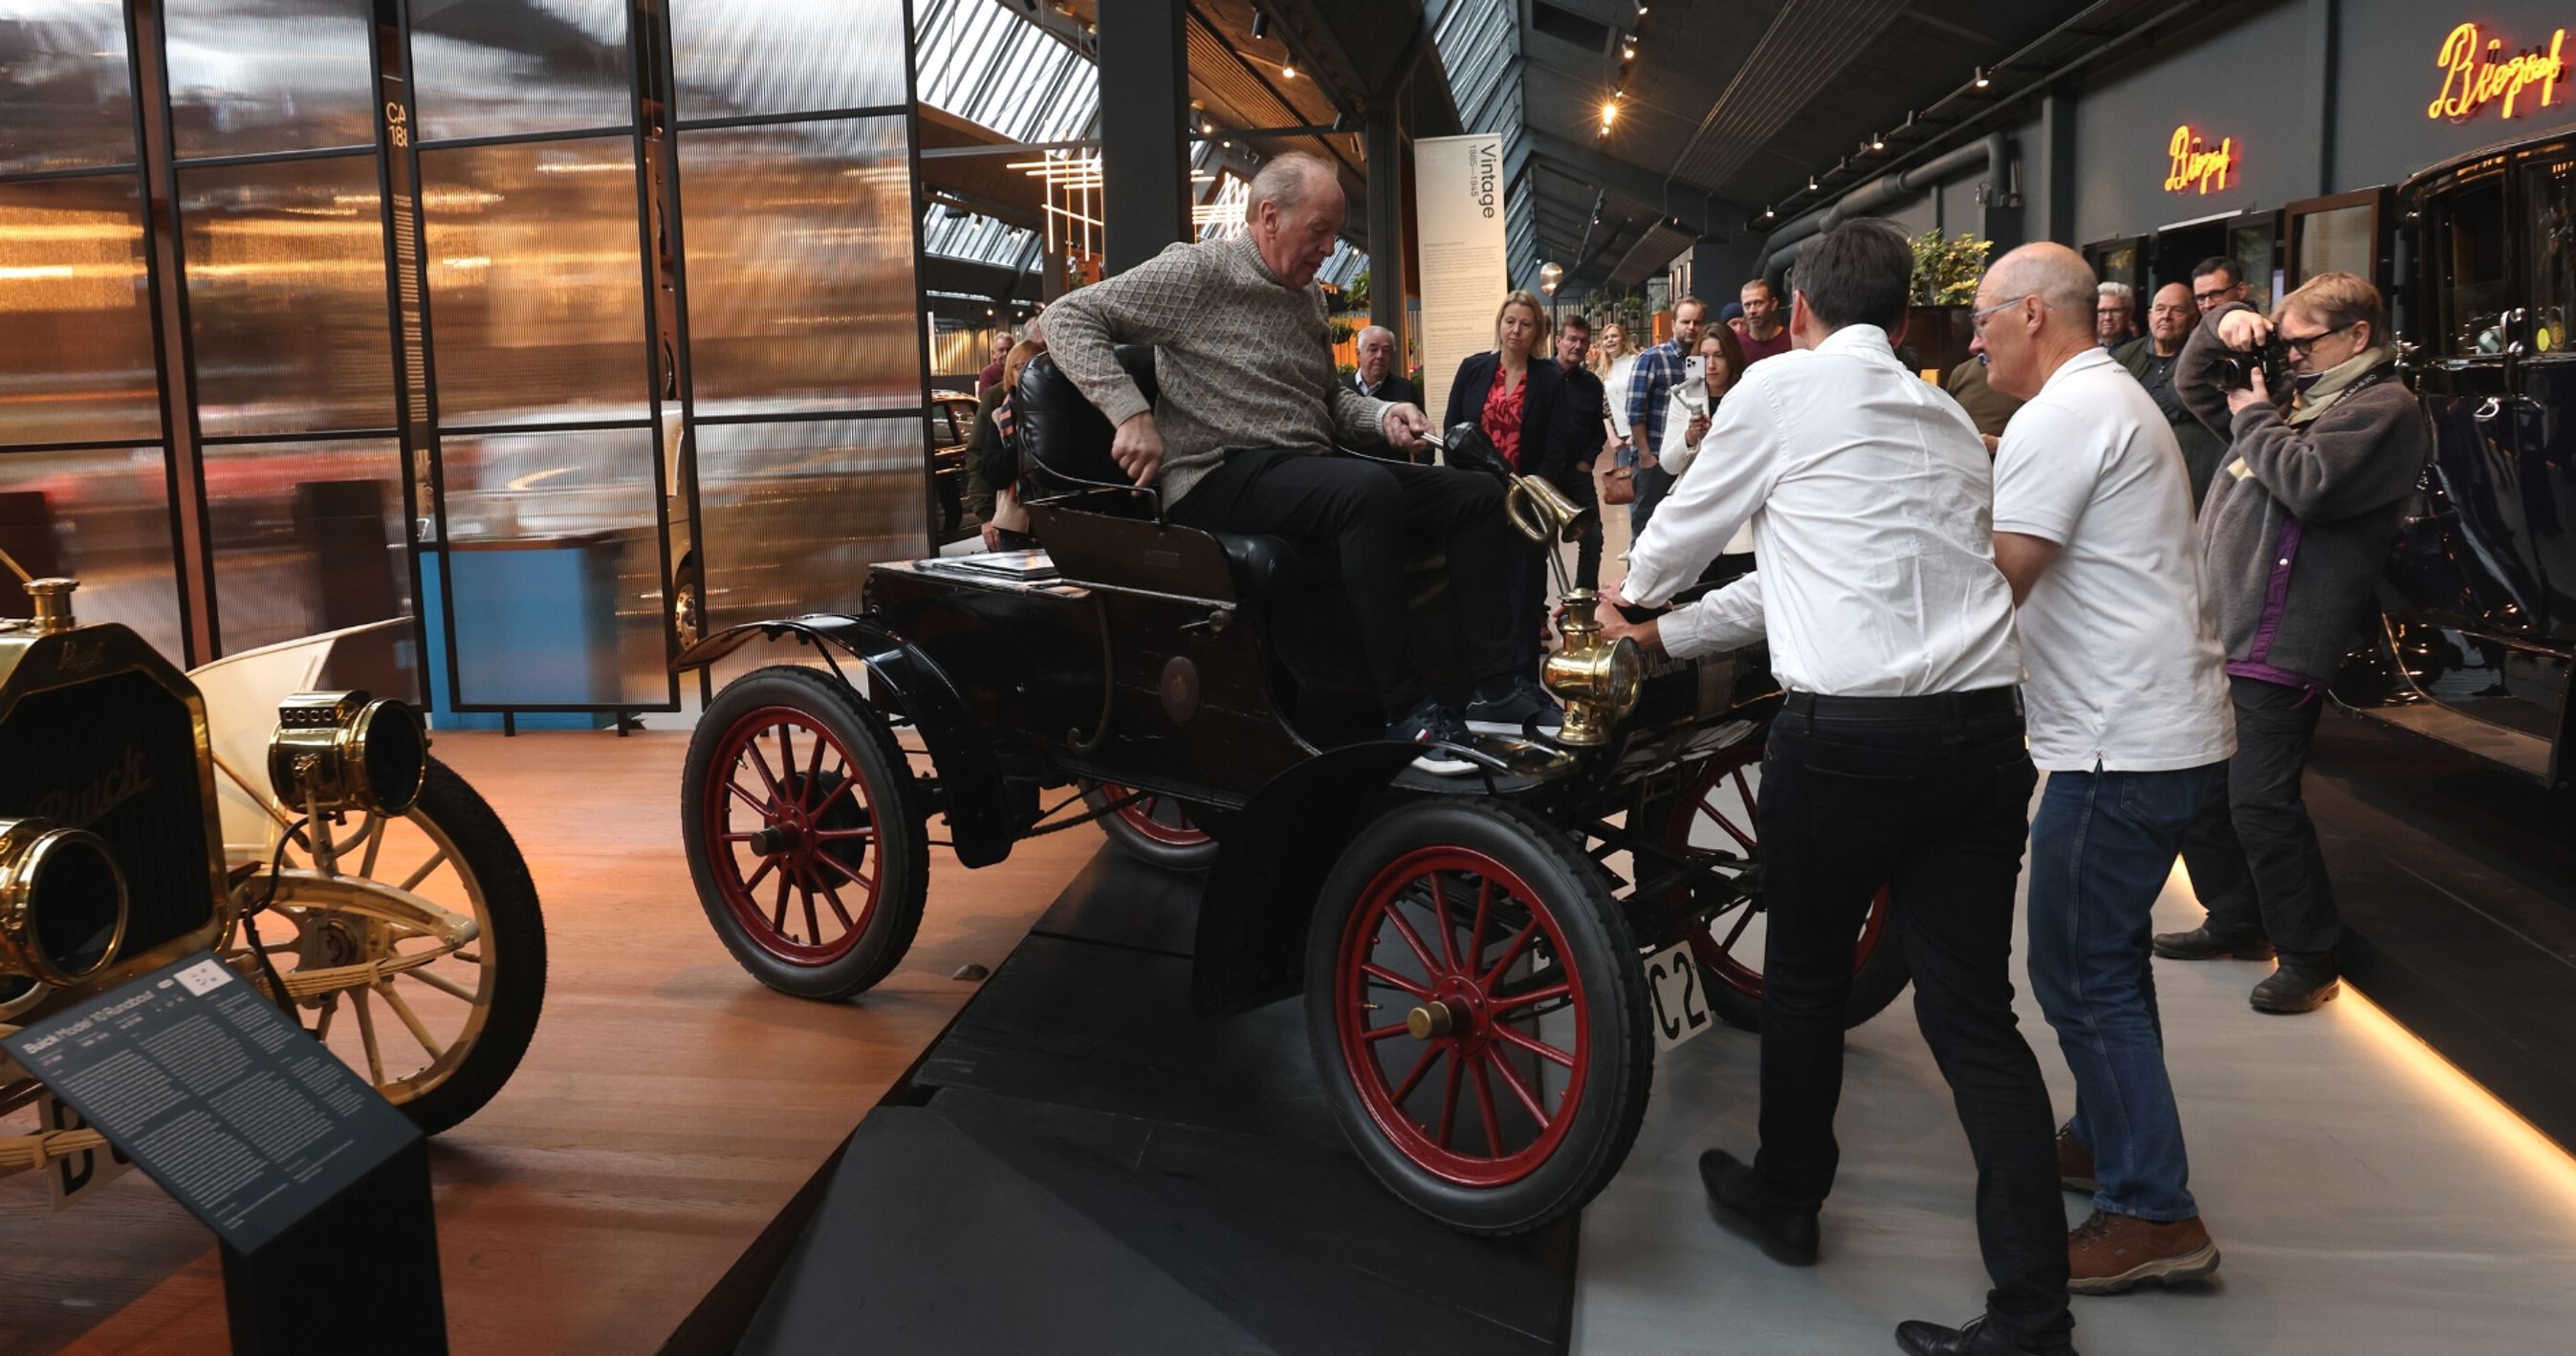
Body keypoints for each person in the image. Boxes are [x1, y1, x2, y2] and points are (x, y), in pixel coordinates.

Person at [1598, 218, 2072, 1356]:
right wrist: (1666, 639)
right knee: (1975, 1017)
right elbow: (1792, 581)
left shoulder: (1781, 391)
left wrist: (1627, 606)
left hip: (1847, 742)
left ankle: (1788, 1195)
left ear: (1796, 312)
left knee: (1805, 980)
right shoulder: (1949, 420)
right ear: (1908, 323)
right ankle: (2033, 1316)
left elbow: (1685, 534)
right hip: (1980, 740)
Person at [1040, 152, 1532, 773]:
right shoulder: (1198, 272)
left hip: (1299, 473)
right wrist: (1129, 412)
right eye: (1319, 230)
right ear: (1269, 217)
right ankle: (1406, 711)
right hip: (1214, 475)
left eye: (1333, 233)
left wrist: (1383, 417)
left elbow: (1328, 400)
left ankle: (1491, 688)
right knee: (1366, 492)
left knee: (1477, 496)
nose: (1328, 249)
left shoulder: (1307, 301)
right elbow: (1066, 315)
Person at [1976, 243, 2235, 1299]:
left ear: (2034, 312)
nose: (1977, 333)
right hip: (2150, 729)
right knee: (2107, 963)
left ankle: (2155, 1208)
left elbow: (2002, 579)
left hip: (2114, 743)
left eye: (1988, 316)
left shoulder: (2065, 416)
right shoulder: (2105, 399)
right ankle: (2105, 1139)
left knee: (2078, 970)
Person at [2153, 272, 2429, 1012]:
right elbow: (2194, 377)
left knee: (2261, 804)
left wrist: (2254, 417)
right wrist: (2230, 323)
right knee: (2208, 795)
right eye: (2284, 344)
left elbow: (2309, 485)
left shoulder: (2383, 409)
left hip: (2284, 635)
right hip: (2230, 629)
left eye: (2301, 343)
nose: (2289, 358)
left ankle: (2310, 956)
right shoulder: (2301, 402)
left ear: (2357, 336)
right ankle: (2239, 919)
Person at [1443, 291, 1585, 728]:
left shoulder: (1548, 378)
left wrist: (1529, 493)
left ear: (1538, 330)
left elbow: (1556, 448)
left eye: (1525, 323)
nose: (1515, 330)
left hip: (1526, 504)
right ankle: (1481, 684)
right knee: (1477, 590)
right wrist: (1469, 485)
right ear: (1499, 324)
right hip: (1475, 502)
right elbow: (1453, 432)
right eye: (1509, 321)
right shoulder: (1473, 369)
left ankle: (1523, 684)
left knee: (1523, 596)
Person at [1654, 327, 1756, 580]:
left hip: (1740, 512)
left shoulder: (1750, 395)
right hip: (1698, 511)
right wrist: (1690, 438)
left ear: (1731, 357)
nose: (1711, 365)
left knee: (1736, 592)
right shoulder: (1687, 396)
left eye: (1719, 355)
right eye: (1704, 356)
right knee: (1696, 595)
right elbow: (1668, 464)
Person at [2114, 282, 2226, 509]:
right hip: (2133, 480)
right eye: (2160, 309)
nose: (2166, 316)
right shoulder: (2125, 356)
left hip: (2187, 483)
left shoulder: (2202, 361)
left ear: (2194, 320)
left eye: (2177, 310)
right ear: (2149, 316)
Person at [1624, 295, 1708, 536]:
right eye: (1685, 322)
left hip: (1686, 458)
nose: (1691, 327)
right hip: (1655, 458)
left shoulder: (1699, 361)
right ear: (1673, 324)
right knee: (1646, 529)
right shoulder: (1652, 358)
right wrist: (1645, 455)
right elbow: (1635, 410)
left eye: (1697, 322)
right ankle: (1640, 574)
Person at [1554, 314, 1609, 590]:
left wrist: (1587, 461)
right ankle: (1537, 614)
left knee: (1593, 538)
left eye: (1583, 341)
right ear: (1558, 341)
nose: (1577, 345)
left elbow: (1598, 430)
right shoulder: (1540, 377)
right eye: (1572, 339)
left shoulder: (1591, 384)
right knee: (1541, 541)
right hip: (1545, 474)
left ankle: (1585, 603)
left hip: (1578, 474)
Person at [980, 339, 1046, 552]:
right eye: (1020, 367)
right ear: (1010, 374)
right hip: (1015, 527)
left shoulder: (1061, 411)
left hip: (1058, 519)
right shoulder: (1000, 417)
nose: (1028, 372)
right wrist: (1026, 439)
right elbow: (992, 474)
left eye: (1035, 365)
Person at [1945, 339, 2025, 450]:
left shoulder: (2030, 372)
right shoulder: (1961, 372)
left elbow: (2042, 434)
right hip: (1964, 460)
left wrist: (1999, 444)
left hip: (2011, 459)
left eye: (1985, 323)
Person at [1596, 320, 1643, 506]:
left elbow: (1643, 399)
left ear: (1623, 339)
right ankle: (1636, 535)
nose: (1610, 340)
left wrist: (1635, 433)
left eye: (1614, 336)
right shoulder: (1601, 372)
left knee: (1645, 489)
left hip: (1640, 433)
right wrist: (1612, 438)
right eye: (1606, 338)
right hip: (1621, 440)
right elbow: (1603, 409)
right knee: (1629, 492)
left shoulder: (1636, 363)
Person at [1344, 324, 1422, 406]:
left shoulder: (1406, 390)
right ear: (1358, 354)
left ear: (1392, 356)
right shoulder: (1341, 389)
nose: (1380, 356)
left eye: (1386, 350)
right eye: (1373, 350)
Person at [2094, 281, 2135, 348]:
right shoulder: (2080, 351)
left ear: (2129, 313)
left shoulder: (2140, 351)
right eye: (2102, 311)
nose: (2108, 317)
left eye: (2115, 311)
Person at [976, 329, 1013, 393]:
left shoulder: (1019, 370)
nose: (1005, 353)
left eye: (1009, 349)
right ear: (993, 353)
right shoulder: (987, 373)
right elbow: (986, 400)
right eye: (1001, 350)